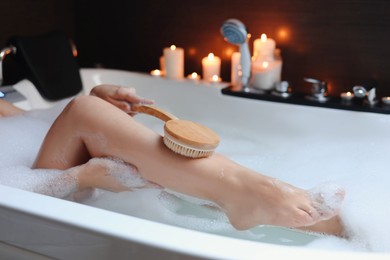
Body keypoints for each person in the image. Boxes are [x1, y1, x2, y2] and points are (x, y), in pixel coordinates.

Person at [0, 84, 345, 236]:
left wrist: (100, 100)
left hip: (37, 157)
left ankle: (253, 197)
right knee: (83, 111)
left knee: (88, 109)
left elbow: (26, 120)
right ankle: (245, 192)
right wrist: (81, 178)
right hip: (30, 193)